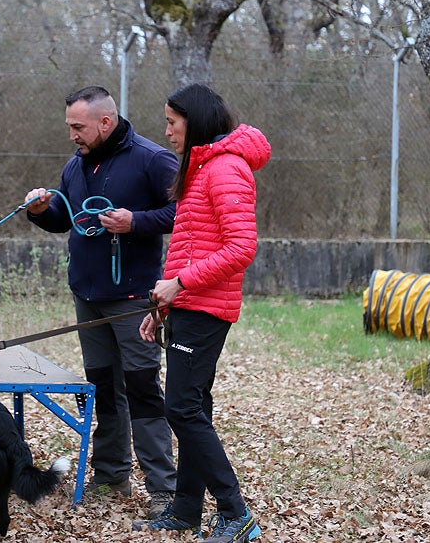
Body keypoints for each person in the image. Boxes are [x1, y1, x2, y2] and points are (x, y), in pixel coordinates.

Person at [24, 85, 178, 518]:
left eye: (79, 127)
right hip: (87, 294)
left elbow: (186, 211)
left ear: (105, 122)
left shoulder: (152, 159)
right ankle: (111, 474)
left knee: (144, 389)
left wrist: (137, 222)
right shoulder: (76, 165)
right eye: (70, 126)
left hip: (133, 298)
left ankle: (164, 489)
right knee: (104, 389)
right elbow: (66, 220)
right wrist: (41, 210)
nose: (72, 134)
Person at [133, 83, 271, 542]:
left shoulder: (226, 169)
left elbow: (241, 248)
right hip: (188, 306)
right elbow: (190, 246)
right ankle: (187, 509)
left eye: (173, 122)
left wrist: (180, 284)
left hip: (207, 308)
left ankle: (235, 513)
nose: (167, 130)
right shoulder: (202, 168)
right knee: (194, 407)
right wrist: (164, 303)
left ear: (196, 121)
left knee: (182, 409)